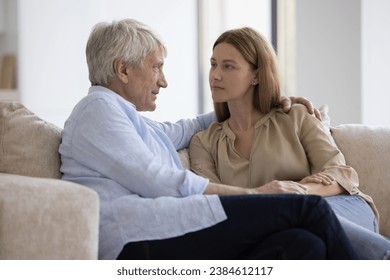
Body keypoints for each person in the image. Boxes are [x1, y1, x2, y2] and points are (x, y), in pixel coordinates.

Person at [59, 18, 359, 260]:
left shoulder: (131, 121)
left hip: (168, 228)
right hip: (140, 238)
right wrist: (256, 195)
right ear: (123, 69)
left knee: (303, 245)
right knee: (307, 208)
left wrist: (266, 99)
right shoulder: (96, 111)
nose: (163, 81)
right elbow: (158, 181)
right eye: (157, 67)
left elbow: (187, 126)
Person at [189, 27, 390, 260]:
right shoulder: (203, 142)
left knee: (303, 219)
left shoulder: (296, 116)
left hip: (341, 207)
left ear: (256, 75)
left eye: (228, 66)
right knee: (302, 241)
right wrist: (276, 201)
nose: (215, 75)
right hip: (276, 228)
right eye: (213, 64)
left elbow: (341, 175)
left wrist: (298, 193)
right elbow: (214, 204)